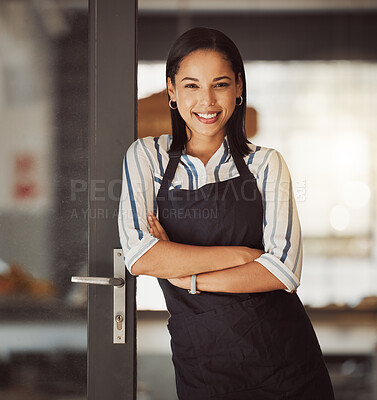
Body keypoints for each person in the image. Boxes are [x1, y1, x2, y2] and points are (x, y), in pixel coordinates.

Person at [118, 27, 334, 400]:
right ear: (171, 90)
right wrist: (238, 256)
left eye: (219, 84)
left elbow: (282, 270)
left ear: (238, 87)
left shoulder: (266, 163)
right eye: (191, 86)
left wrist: (188, 278)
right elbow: (141, 255)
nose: (207, 101)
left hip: (284, 357)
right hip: (203, 360)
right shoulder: (146, 157)